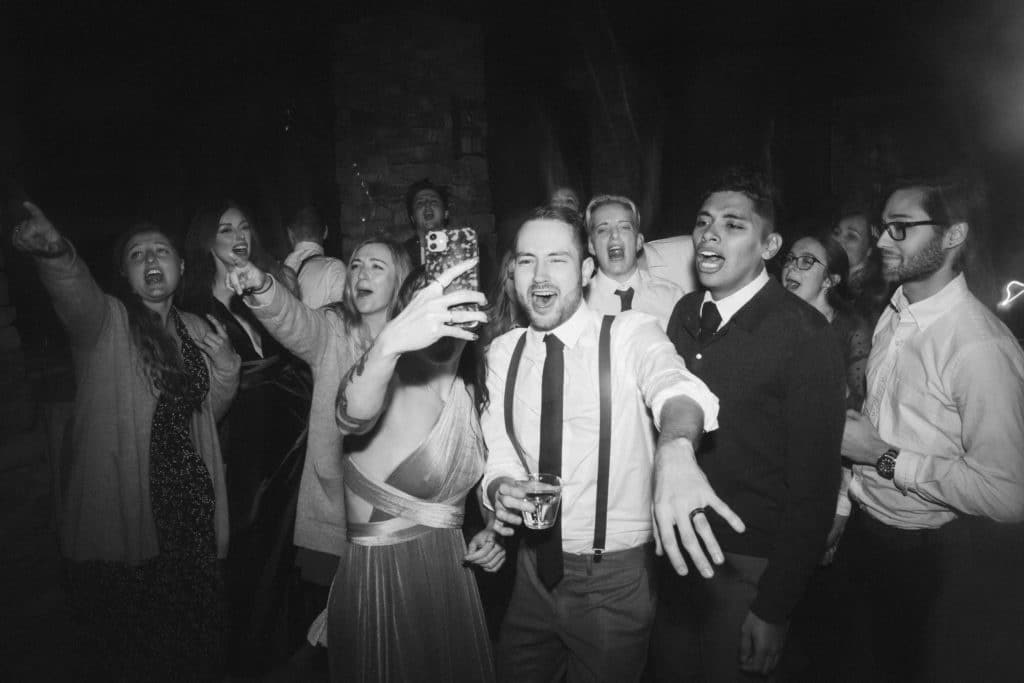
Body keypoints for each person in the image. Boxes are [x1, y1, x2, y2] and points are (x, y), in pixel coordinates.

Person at [482, 205, 734, 683]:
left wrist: (677, 447)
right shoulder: (502, 352)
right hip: (530, 575)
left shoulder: (629, 334)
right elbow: (497, 453)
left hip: (613, 582)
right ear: (513, 272)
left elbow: (675, 386)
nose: (540, 274)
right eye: (526, 260)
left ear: (584, 270)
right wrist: (498, 491)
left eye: (556, 259)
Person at [12, 203, 240, 681]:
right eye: (138, 255)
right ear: (124, 273)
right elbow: (75, 296)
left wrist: (225, 368)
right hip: (131, 504)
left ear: (179, 264)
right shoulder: (108, 323)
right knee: (139, 644)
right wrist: (56, 255)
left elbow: (204, 419)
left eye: (161, 251)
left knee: (194, 640)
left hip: (190, 507)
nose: (151, 260)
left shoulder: (197, 329)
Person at [657, 168, 846, 681]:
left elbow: (814, 487)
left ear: (769, 245)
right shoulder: (683, 313)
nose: (709, 234)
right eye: (703, 222)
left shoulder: (804, 335)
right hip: (675, 554)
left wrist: (773, 608)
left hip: (748, 565)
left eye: (732, 225)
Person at [839, 173, 1024, 681]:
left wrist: (881, 454)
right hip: (865, 528)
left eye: (900, 228)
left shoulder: (978, 348)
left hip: (924, 556)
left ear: (953, 235)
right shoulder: (896, 310)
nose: (880, 240)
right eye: (882, 227)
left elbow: (1009, 495)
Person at [226, 237, 412, 672]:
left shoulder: (418, 343)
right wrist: (261, 287)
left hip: (399, 519)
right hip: (335, 519)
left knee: (392, 642)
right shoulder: (332, 331)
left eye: (377, 267)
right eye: (357, 265)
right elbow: (294, 321)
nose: (362, 273)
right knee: (335, 650)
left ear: (400, 280)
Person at [327, 261, 504, 682]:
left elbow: (471, 484)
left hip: (451, 577)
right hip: (386, 585)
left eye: (457, 294)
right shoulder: (388, 381)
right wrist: (387, 345)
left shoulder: (470, 391)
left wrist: (492, 529)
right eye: (431, 298)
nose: (445, 306)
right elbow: (348, 417)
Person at [180, 200, 311, 674]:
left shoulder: (265, 292)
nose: (238, 235)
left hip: (291, 438)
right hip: (243, 447)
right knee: (250, 549)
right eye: (224, 227)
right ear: (205, 240)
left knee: (293, 550)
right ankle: (251, 659)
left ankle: (292, 652)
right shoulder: (193, 308)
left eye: (243, 226)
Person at [780, 230, 871, 409]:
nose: (791, 267)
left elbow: (858, 405)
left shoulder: (853, 330)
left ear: (830, 280)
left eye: (806, 261)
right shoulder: (772, 319)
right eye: (790, 259)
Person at [582, 195, 684, 329]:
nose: (614, 235)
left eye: (624, 227)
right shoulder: (578, 303)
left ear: (639, 241)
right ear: (591, 245)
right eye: (602, 230)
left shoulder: (672, 297)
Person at [832, 201, 890, 326]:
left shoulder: (874, 299)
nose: (837, 240)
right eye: (836, 233)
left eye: (851, 236)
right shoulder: (830, 283)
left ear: (869, 249)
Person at [283, 205, 347, 309]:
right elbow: (346, 319)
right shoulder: (334, 268)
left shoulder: (275, 275)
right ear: (325, 232)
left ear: (290, 234)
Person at [404, 178, 449, 265]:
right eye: (420, 203)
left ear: (446, 213)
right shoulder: (401, 254)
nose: (427, 205)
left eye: (434, 201)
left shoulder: (466, 247)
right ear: (412, 218)